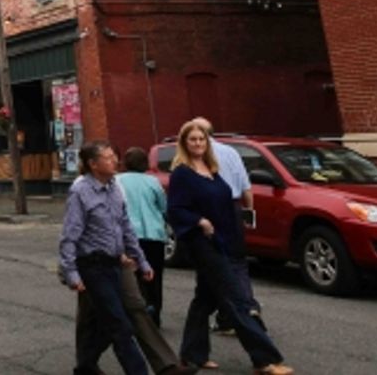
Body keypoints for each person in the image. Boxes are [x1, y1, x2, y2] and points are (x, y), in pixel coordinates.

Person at [168, 120, 292, 375]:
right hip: (203, 244)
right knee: (236, 298)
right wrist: (199, 221)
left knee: (204, 299)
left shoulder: (212, 169)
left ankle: (193, 356)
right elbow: (175, 209)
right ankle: (264, 360)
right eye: (192, 139)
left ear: (208, 141)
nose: (198, 144)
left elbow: (229, 202)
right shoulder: (182, 172)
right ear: (184, 143)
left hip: (225, 240)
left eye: (201, 139)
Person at [59, 140, 154, 375]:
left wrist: (141, 260)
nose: (115, 161)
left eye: (114, 156)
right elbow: (70, 235)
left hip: (115, 264)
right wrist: (71, 272)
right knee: (119, 324)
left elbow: (126, 226)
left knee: (103, 323)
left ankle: (86, 365)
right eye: (108, 157)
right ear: (93, 164)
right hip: (92, 266)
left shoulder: (115, 186)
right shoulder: (80, 191)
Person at [192, 118, 262, 333]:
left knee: (213, 266)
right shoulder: (231, 152)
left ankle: (236, 312)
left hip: (209, 211)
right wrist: (248, 214)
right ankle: (241, 309)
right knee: (236, 262)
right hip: (233, 207)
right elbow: (246, 187)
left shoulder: (194, 156)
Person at [117, 147, 169, 325]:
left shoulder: (117, 181)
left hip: (128, 235)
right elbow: (163, 206)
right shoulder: (153, 182)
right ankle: (154, 314)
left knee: (131, 277)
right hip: (153, 234)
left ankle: (134, 315)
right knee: (154, 276)